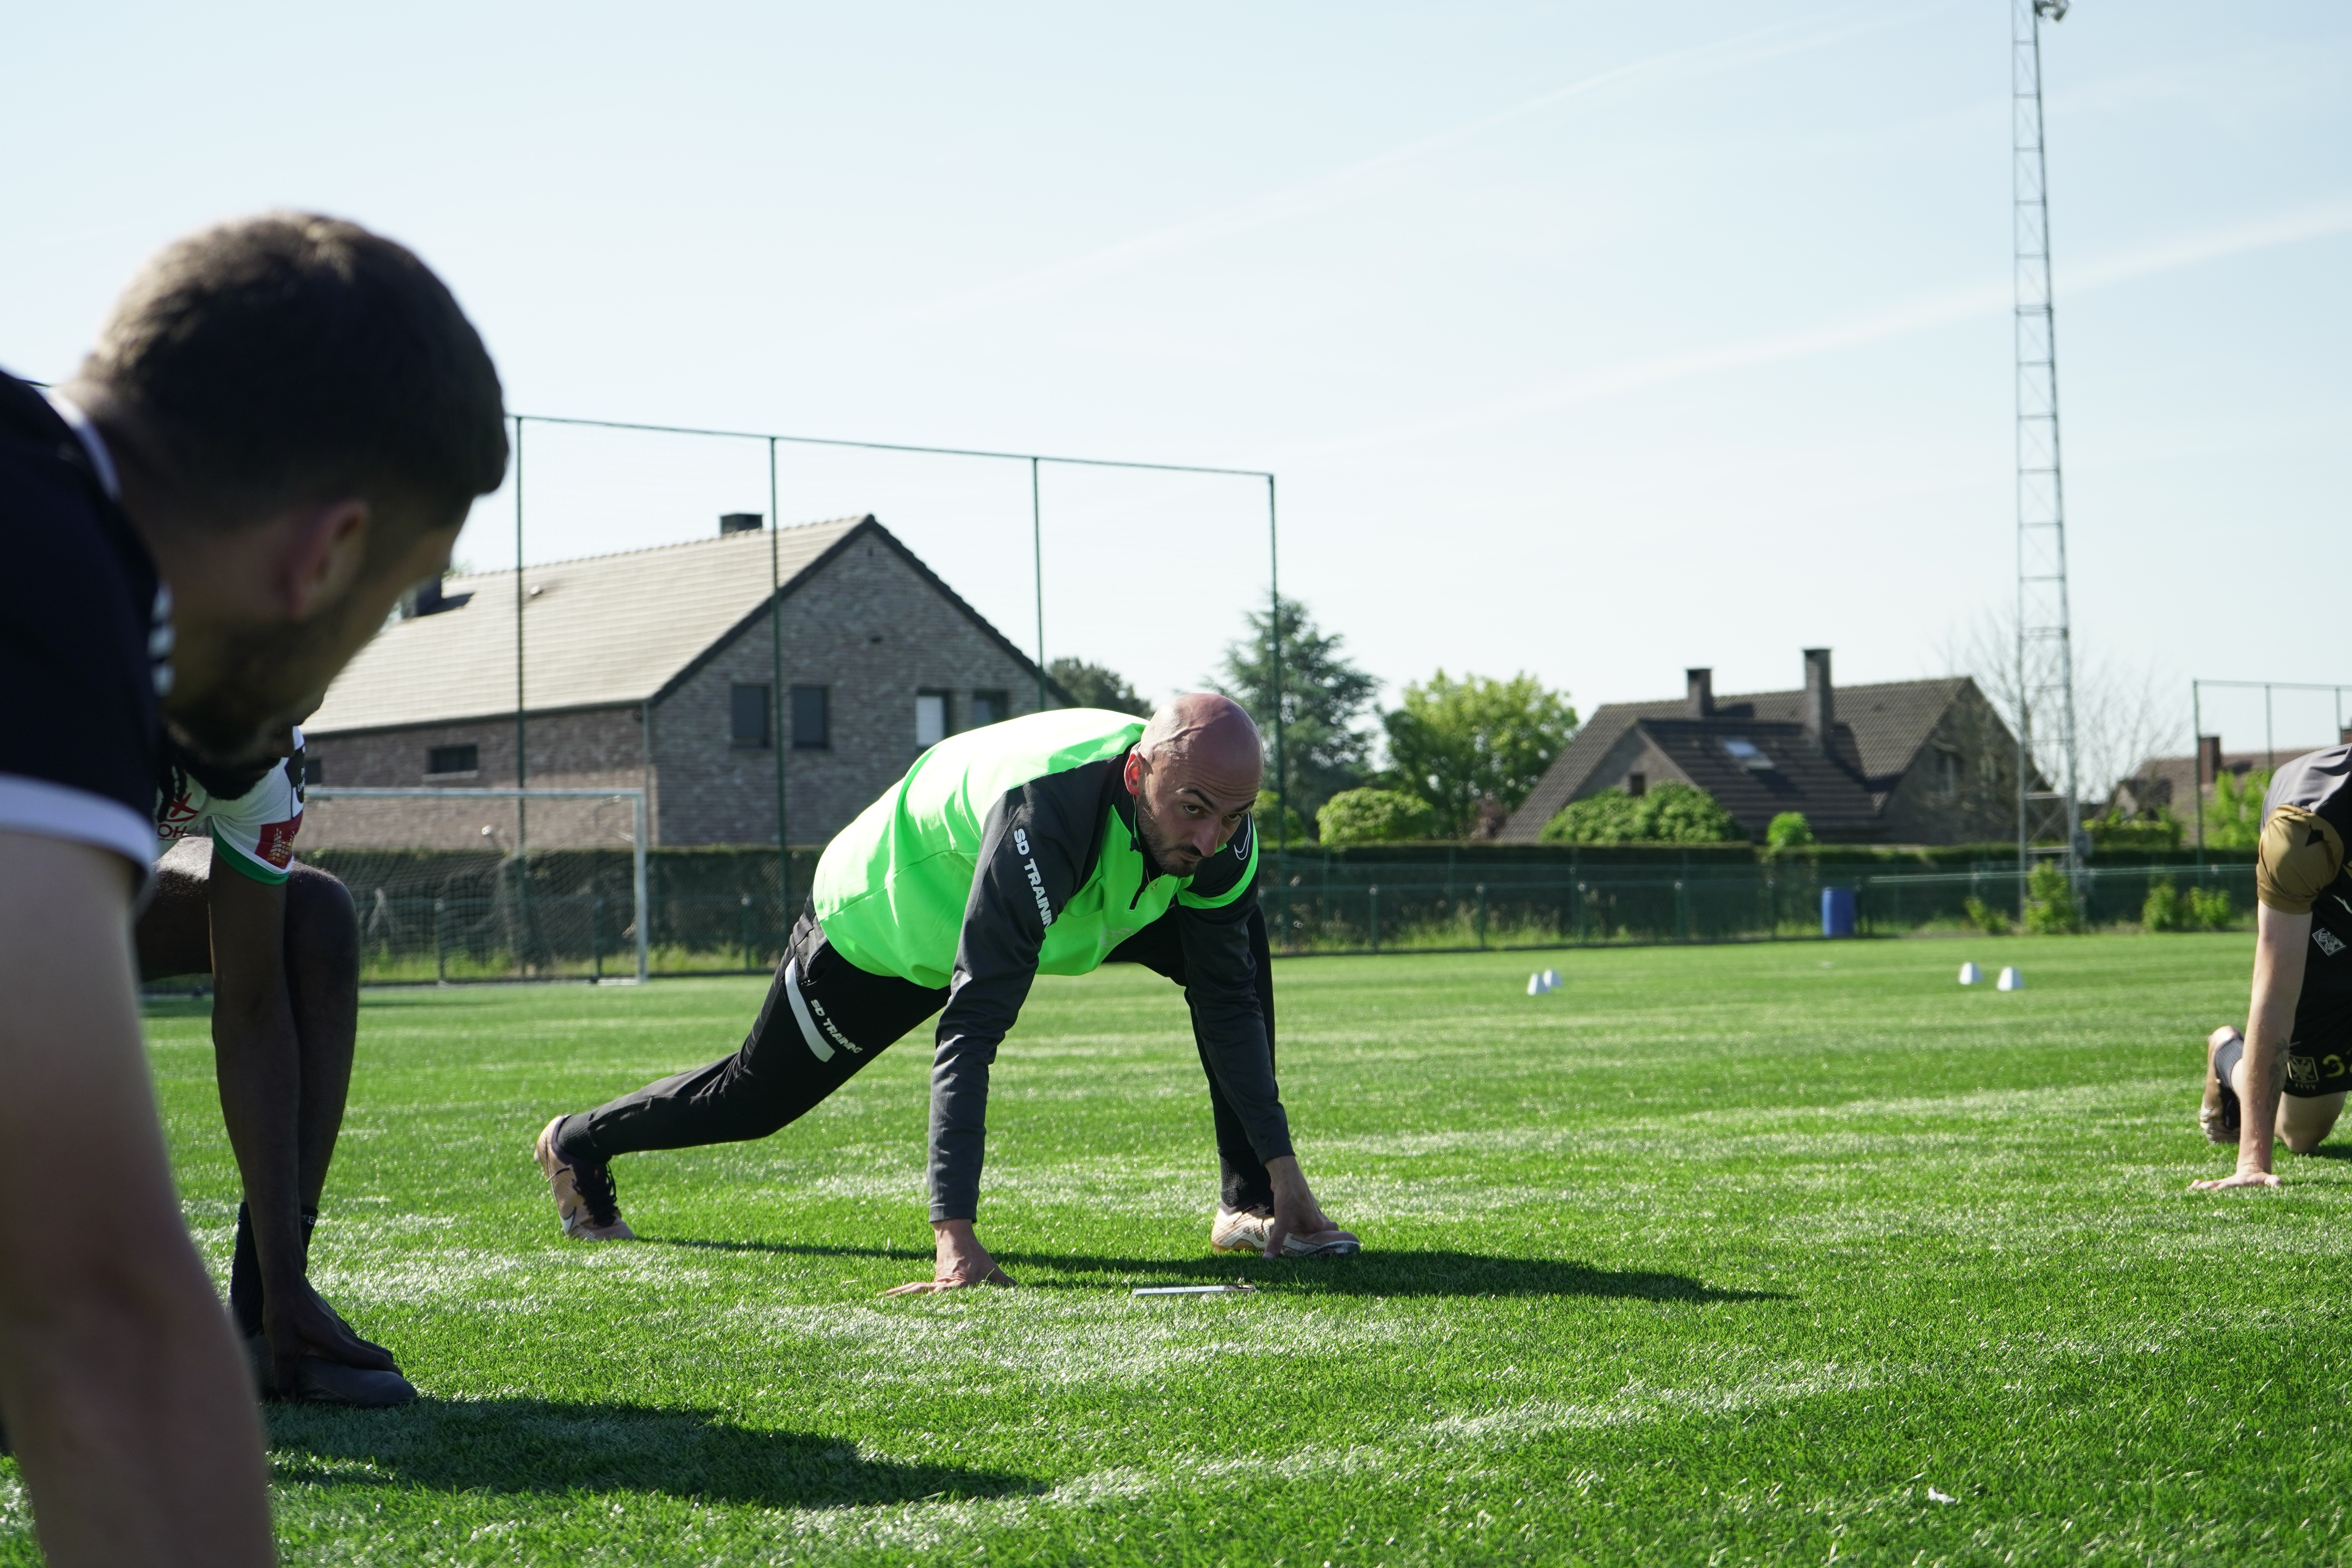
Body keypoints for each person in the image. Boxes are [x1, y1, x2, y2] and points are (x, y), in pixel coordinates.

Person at [0, 212, 505, 1563]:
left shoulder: (49, 512)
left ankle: (268, 1292)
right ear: (324, 556)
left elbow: (245, 1001)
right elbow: (99, 1317)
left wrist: (279, 1281)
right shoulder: (52, 575)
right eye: (377, 606)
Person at [534, 696, 1359, 1291]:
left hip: (1096, 888)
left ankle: (1253, 1202)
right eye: (1195, 809)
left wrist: (1290, 1176)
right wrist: (953, 1235)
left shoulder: (1213, 837)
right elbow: (972, 1028)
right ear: (1141, 772)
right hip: (889, 925)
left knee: (1238, 962)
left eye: (1235, 814)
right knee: (755, 1101)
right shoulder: (1048, 813)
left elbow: (1230, 1009)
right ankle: (578, 1141)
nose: (1214, 837)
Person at [138, 727, 413, 1406]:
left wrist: (284, 1279)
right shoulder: (80, 689)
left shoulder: (265, 740)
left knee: (313, 916)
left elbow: (252, 1006)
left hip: (73, 888)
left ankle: (266, 1325)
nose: (280, 736)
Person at [2195, 742, 2352, 1191]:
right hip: (2325, 927)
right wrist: (2252, 1161)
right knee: (2302, 1132)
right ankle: (2228, 1053)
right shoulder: (2302, 830)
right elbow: (2276, 989)